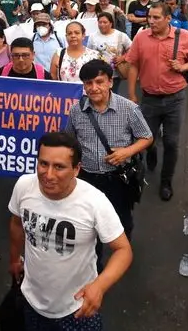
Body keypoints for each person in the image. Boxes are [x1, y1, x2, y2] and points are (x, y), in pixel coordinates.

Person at [8, 132, 133, 330]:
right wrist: (14, 259)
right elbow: (16, 223)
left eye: (59, 167)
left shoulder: (95, 202)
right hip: (32, 302)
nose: (48, 175)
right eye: (43, 164)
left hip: (77, 308)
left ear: (76, 169)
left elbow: (123, 250)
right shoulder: (24, 186)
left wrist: (99, 287)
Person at [64, 60, 152, 260]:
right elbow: (70, 140)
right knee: (88, 222)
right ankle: (94, 262)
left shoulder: (128, 108)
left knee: (121, 219)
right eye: (88, 83)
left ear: (110, 82)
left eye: (99, 82)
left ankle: (122, 254)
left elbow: (146, 137)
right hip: (87, 178)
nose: (94, 88)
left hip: (117, 179)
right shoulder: (76, 110)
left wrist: (126, 152)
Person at [125, 3, 188, 201]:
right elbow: (132, 65)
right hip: (149, 99)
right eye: (149, 17)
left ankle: (166, 180)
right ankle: (151, 152)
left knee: (171, 142)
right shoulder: (141, 37)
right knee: (146, 140)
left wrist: (183, 66)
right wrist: (132, 94)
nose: (151, 21)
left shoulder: (184, 37)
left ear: (168, 18)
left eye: (156, 17)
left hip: (175, 99)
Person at [86, 12, 132, 93]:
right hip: (98, 73)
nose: (102, 24)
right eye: (100, 22)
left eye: (105, 22)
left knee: (113, 94)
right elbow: (88, 52)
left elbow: (132, 49)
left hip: (115, 74)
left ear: (111, 23)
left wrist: (122, 58)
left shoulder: (120, 35)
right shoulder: (92, 36)